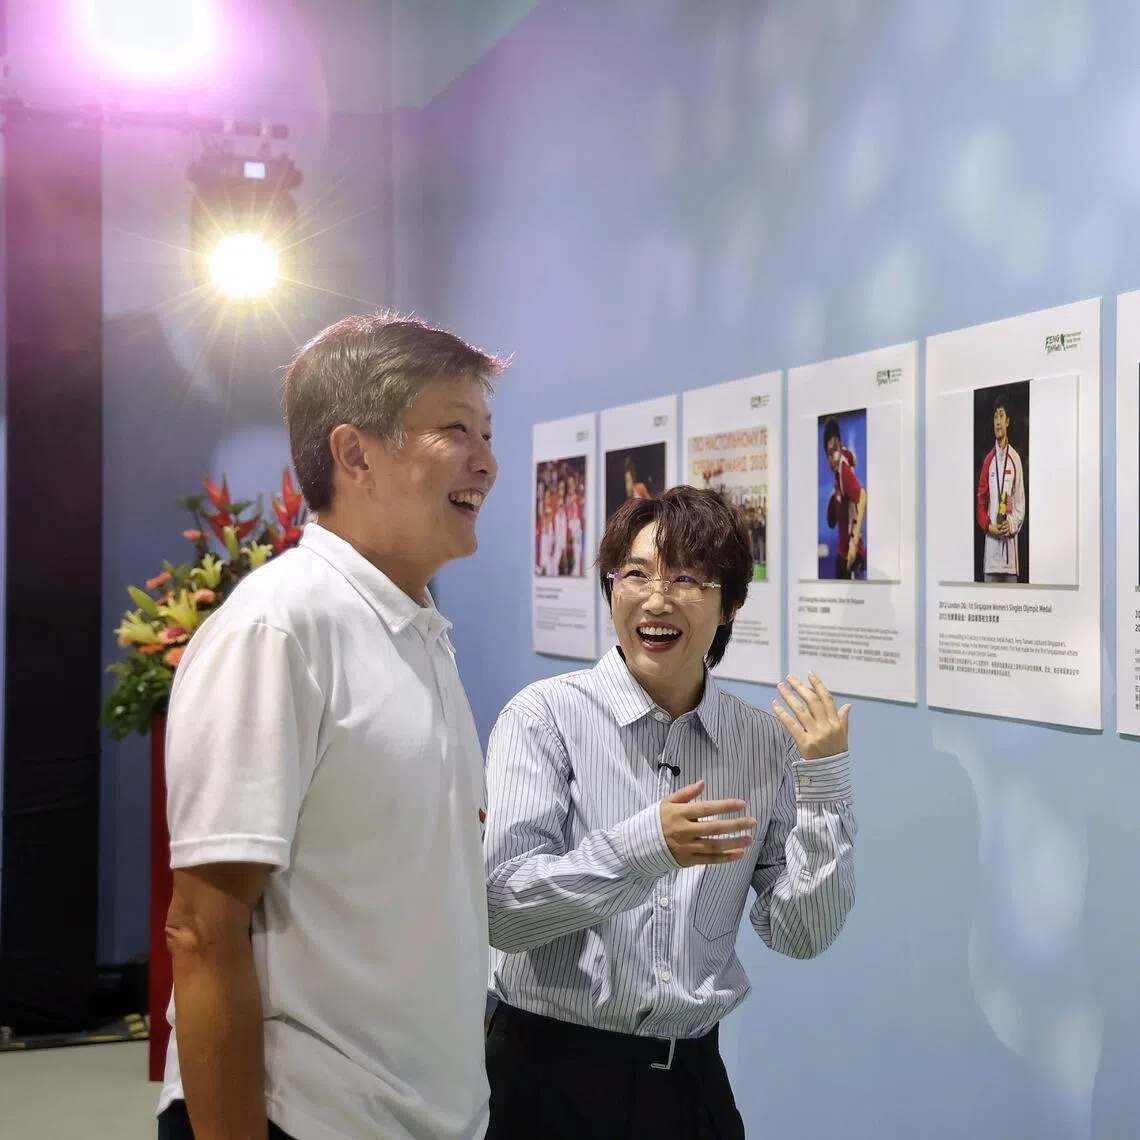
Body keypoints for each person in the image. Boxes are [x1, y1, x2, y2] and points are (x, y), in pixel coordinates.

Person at [156, 314, 504, 1140]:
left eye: (487, 432)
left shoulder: (419, 632)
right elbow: (202, 930)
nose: (487, 461)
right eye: (455, 430)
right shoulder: (279, 630)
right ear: (354, 454)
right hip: (307, 1119)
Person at [483, 485, 857, 1140]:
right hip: (545, 1073)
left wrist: (825, 782)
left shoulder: (762, 743)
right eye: (636, 574)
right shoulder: (544, 717)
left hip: (688, 1083)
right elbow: (503, 910)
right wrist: (648, 845)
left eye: (687, 578)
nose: (656, 599)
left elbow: (802, 933)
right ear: (611, 588)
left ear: (730, 603)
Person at [976, 392, 1025, 583]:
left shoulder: (1015, 460)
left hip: (1010, 559)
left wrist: (1010, 524)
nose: (997, 421)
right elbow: (980, 501)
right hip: (991, 557)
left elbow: (1020, 504)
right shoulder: (988, 461)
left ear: (1008, 421)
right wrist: (989, 525)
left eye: (1001, 416)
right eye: (995, 417)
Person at [823, 416, 867, 580]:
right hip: (842, 554)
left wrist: (854, 546)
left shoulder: (842, 468)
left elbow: (862, 497)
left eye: (836, 448)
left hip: (852, 555)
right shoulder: (839, 476)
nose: (833, 456)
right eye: (829, 452)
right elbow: (852, 457)